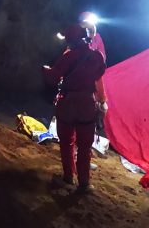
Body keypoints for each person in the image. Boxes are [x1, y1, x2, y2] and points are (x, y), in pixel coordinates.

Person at [42, 24, 106, 193]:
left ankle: (68, 177)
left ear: (71, 39)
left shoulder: (68, 56)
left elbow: (53, 79)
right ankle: (84, 183)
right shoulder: (97, 56)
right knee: (85, 145)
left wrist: (45, 70)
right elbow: (98, 75)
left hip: (68, 103)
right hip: (87, 104)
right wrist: (102, 100)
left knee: (67, 142)